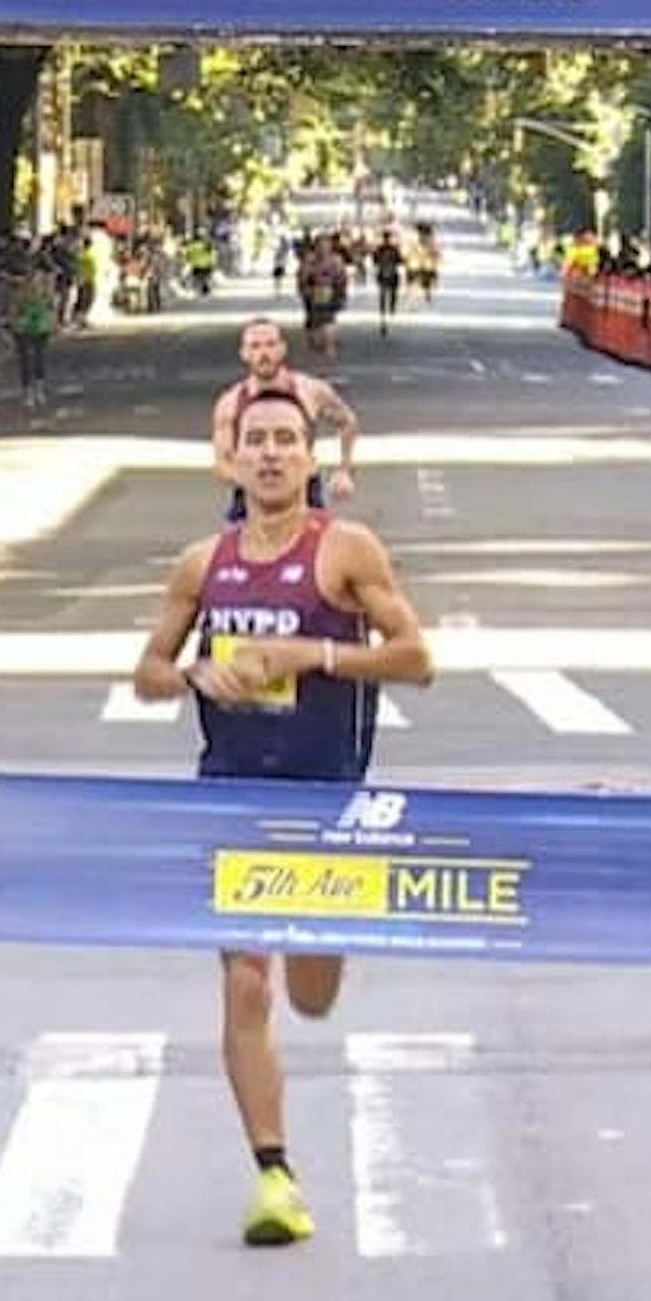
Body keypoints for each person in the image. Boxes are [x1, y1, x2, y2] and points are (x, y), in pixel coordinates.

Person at [130, 384, 434, 1248]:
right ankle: (274, 1174)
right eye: (254, 440)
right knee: (246, 983)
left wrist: (316, 654)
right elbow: (148, 672)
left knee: (311, 993)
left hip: (324, 798)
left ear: (309, 458)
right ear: (231, 459)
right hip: (231, 795)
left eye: (285, 441)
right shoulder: (203, 564)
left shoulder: (346, 551)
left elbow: (416, 658)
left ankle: (322, 955)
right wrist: (194, 675)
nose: (269, 454)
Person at [210, 319, 357, 521]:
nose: (264, 353)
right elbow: (222, 464)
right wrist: (265, 481)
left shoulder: (311, 390)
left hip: (304, 494)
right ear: (244, 353)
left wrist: (344, 470)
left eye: (270, 344)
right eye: (255, 346)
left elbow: (347, 421)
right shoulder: (230, 403)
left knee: (322, 540)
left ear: (282, 349)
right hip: (251, 499)